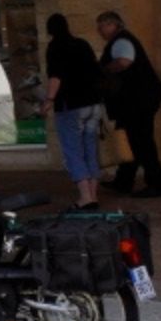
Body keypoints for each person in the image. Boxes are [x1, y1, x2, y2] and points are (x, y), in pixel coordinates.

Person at [97, 11, 161, 198]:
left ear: (113, 24)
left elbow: (123, 62)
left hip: (138, 101)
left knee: (142, 142)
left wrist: (102, 71)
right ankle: (124, 180)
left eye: (102, 25)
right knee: (129, 140)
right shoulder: (121, 40)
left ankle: (156, 184)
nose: (99, 30)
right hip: (135, 101)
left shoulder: (121, 41)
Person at [41, 14, 103, 209]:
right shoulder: (82, 44)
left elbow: (56, 77)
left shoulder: (55, 47)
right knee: (90, 150)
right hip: (93, 104)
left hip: (71, 105)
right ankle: (93, 195)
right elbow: (96, 71)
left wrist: (49, 100)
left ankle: (85, 197)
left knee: (73, 151)